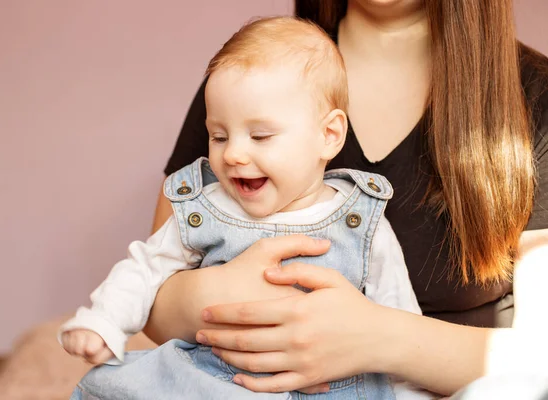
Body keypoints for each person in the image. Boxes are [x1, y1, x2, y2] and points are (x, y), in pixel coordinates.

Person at [142, 0, 548, 397]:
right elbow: (148, 296)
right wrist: (217, 293)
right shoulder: (249, 77)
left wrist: (374, 338)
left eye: (263, 136)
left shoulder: (534, 95)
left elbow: (539, 356)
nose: (237, 149)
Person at [60, 16, 431, 400]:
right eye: (218, 136)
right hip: (215, 380)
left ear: (328, 135)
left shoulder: (361, 223)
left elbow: (399, 323)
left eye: (260, 135)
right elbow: (146, 267)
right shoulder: (208, 207)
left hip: (330, 388)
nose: (234, 154)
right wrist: (105, 321)